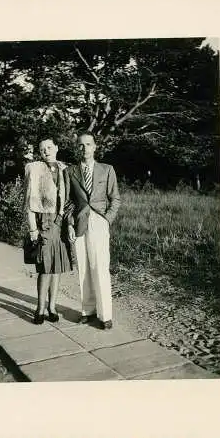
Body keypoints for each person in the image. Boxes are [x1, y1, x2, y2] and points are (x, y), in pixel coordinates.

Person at [65, 132, 121, 329]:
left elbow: (115, 199)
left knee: (100, 267)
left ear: (95, 147)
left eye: (88, 144)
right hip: (80, 222)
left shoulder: (107, 169)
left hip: (99, 221)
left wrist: (107, 219)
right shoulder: (70, 171)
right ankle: (87, 311)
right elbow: (68, 202)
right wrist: (70, 223)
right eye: (80, 145)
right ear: (77, 148)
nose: (84, 149)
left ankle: (105, 315)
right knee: (84, 267)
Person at [23, 134, 73, 325]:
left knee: (57, 268)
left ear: (57, 148)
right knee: (44, 268)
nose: (46, 151)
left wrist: (68, 222)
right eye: (42, 149)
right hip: (43, 221)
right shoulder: (34, 168)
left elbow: (69, 199)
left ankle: (52, 307)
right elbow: (29, 201)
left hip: (60, 221)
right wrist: (33, 229)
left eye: (49, 148)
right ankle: (40, 308)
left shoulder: (65, 168)